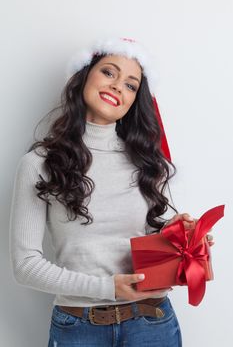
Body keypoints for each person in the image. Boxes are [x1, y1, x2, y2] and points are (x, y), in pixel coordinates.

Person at [9, 36, 213, 347]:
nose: (118, 86)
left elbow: (154, 243)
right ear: (84, 75)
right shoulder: (39, 163)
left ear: (135, 100)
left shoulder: (147, 161)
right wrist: (110, 287)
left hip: (152, 323)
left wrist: (183, 236)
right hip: (78, 328)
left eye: (131, 85)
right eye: (109, 72)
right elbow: (26, 266)